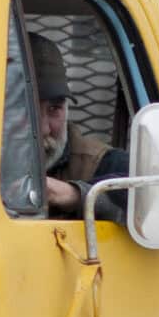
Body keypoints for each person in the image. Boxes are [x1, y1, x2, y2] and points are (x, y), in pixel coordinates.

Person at [28, 33, 126, 216]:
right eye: (27, 110)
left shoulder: (101, 163)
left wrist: (75, 194)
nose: (43, 129)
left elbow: (149, 197)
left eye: (54, 109)